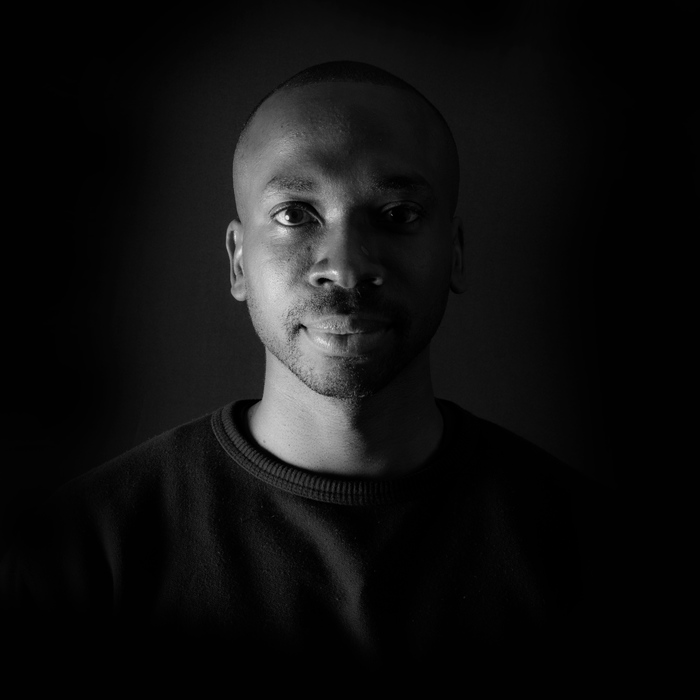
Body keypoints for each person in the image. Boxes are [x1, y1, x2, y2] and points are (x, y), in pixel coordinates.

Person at [1, 61, 621, 687]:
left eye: (398, 213)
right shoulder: (78, 557)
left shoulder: (588, 553)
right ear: (238, 262)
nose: (346, 268)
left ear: (454, 252)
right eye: (296, 214)